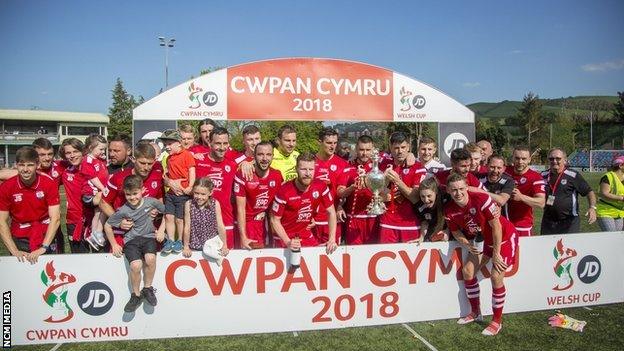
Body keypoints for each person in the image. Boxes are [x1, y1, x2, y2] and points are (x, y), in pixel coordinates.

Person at [444, 173, 518, 336]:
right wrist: (467, 244)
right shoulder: (449, 209)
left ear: (467, 187)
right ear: (448, 190)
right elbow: (455, 231)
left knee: (496, 276)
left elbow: (496, 226)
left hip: (504, 237)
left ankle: (496, 321)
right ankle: (476, 312)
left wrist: (496, 253)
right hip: (484, 241)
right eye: (454, 190)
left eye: (462, 188)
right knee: (467, 272)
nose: (458, 193)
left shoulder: (481, 199)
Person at [104, 175, 166, 313]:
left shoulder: (152, 202)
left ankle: (148, 288)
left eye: (135, 193)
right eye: (128, 194)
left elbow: (168, 213)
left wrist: (161, 230)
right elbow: (107, 226)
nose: (132, 197)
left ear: (143, 190)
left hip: (149, 237)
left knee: (151, 259)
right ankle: (136, 295)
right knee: (136, 265)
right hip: (131, 241)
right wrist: (114, 244)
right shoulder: (123, 210)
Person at [0, 146, 60, 263]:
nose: (25, 169)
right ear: (16, 165)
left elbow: (56, 218)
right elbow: (1, 221)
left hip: (45, 234)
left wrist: (44, 247)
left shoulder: (48, 183)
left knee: (49, 274)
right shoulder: (6, 187)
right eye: (21, 165)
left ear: (37, 165)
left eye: (30, 165)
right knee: (22, 277)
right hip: (20, 237)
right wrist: (14, 250)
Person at [100, 143, 164, 249]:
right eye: (142, 163)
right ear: (134, 159)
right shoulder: (119, 177)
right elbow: (103, 202)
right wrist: (119, 222)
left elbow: (159, 198)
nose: (146, 167)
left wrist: (156, 210)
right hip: (122, 233)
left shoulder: (157, 176)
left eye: (150, 163)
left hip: (149, 233)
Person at [270, 153, 338, 254]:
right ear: (296, 169)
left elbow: (331, 212)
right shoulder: (284, 191)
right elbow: (274, 220)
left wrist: (332, 239)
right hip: (284, 236)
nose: (307, 173)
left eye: (311, 169)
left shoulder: (320, 186)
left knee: (316, 262)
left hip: (305, 234)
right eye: (303, 169)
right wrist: (288, 242)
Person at [378, 132, 427, 243]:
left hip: (410, 223)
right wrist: (384, 183)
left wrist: (397, 180)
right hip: (387, 222)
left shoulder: (418, 167)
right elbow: (376, 191)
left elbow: (415, 198)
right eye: (396, 148)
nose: (400, 151)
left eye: (403, 147)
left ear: (409, 147)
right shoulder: (382, 164)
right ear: (390, 148)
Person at [234, 142, 283, 249]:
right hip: (247, 225)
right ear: (254, 156)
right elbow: (240, 209)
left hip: (266, 224)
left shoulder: (277, 176)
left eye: (268, 154)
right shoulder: (243, 175)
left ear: (273, 156)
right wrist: (243, 237)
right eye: (260, 154)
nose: (265, 158)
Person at [196, 127, 238, 248]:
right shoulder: (197, 161)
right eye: (218, 143)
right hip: (202, 220)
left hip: (226, 220)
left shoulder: (233, 165)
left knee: (227, 258)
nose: (222, 147)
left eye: (225, 143)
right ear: (209, 143)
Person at [541, 148, 597, 235]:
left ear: (565, 160)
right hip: (548, 221)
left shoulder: (573, 175)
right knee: (546, 247)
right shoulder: (542, 175)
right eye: (551, 159)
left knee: (568, 247)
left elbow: (589, 192)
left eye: (558, 158)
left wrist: (592, 208)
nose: (554, 161)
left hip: (569, 221)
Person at [337, 135, 378, 245]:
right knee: (354, 256)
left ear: (373, 149)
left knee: (373, 254)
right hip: (354, 219)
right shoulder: (348, 167)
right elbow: (340, 193)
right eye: (361, 149)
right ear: (356, 149)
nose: (364, 153)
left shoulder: (379, 166)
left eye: (368, 150)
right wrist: (352, 187)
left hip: (374, 218)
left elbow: (387, 193)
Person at [160, 129, 196, 253]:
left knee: (180, 219)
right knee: (169, 216)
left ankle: (179, 241)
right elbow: (167, 175)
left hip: (182, 194)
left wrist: (190, 187)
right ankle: (170, 240)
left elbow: (191, 171)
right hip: (171, 194)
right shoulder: (169, 158)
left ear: (179, 143)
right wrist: (167, 178)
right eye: (165, 145)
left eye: (169, 144)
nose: (167, 147)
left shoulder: (187, 155)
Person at [313, 128, 349, 245]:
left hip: (332, 220)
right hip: (311, 220)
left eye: (335, 143)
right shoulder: (309, 162)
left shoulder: (342, 164)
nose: (332, 146)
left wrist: (340, 204)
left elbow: (340, 191)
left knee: (332, 258)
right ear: (319, 142)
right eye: (329, 143)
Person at [182, 177, 230, 264]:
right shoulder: (189, 204)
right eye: (196, 193)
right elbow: (187, 226)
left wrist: (224, 245)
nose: (199, 197)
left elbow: (220, 225)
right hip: (195, 245)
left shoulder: (215, 203)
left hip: (212, 246)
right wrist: (186, 247)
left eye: (203, 194)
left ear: (210, 193)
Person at [505, 146, 546, 236]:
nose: (520, 162)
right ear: (512, 158)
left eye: (524, 159)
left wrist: (521, 197)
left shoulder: (535, 177)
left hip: (521, 226)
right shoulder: (505, 171)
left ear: (529, 160)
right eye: (517, 158)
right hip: (502, 223)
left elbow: (541, 202)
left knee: (521, 250)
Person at [81, 134, 109, 250]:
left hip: (97, 192)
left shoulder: (99, 160)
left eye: (104, 149)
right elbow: (93, 177)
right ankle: (96, 231)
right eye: (101, 149)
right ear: (90, 148)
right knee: (105, 204)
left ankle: (95, 233)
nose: (103, 151)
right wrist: (103, 188)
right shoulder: (87, 161)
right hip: (90, 193)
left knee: (99, 211)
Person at [413, 177, 448, 242]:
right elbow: (424, 222)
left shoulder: (446, 200)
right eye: (422, 196)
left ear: (436, 192)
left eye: (429, 196)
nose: (426, 200)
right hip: (435, 234)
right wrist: (422, 237)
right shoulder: (420, 206)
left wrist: (447, 232)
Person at [596, 155, 624, 231]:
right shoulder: (608, 177)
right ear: (621, 165)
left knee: (616, 238)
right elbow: (604, 193)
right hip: (606, 211)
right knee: (611, 235)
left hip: (619, 212)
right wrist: (621, 198)